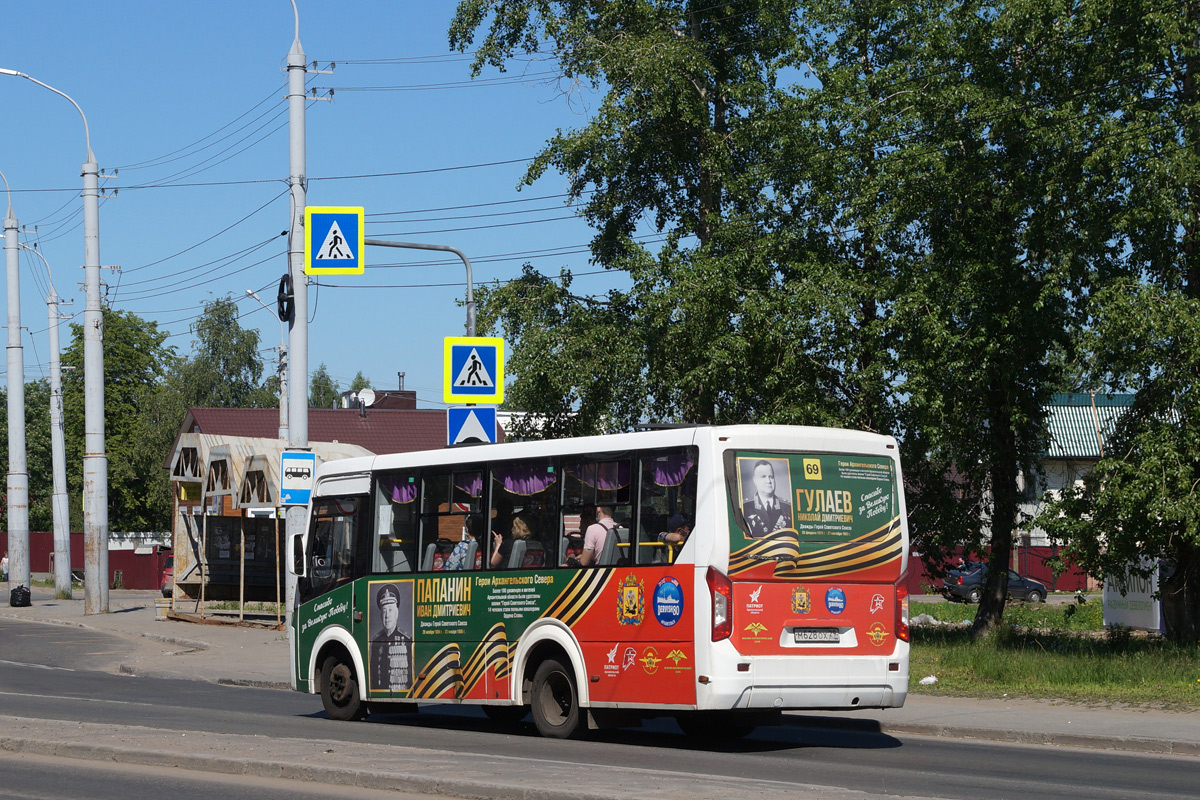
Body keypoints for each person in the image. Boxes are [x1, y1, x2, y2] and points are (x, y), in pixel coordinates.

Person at [370, 582, 413, 692]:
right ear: (380, 615)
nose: (387, 615)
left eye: (390, 610)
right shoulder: (374, 642)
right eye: (384, 611)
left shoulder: (407, 640)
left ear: (397, 613)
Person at [742, 459, 792, 538]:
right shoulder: (745, 507)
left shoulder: (788, 508)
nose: (768, 481)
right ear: (755, 480)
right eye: (763, 477)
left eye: (771, 477)